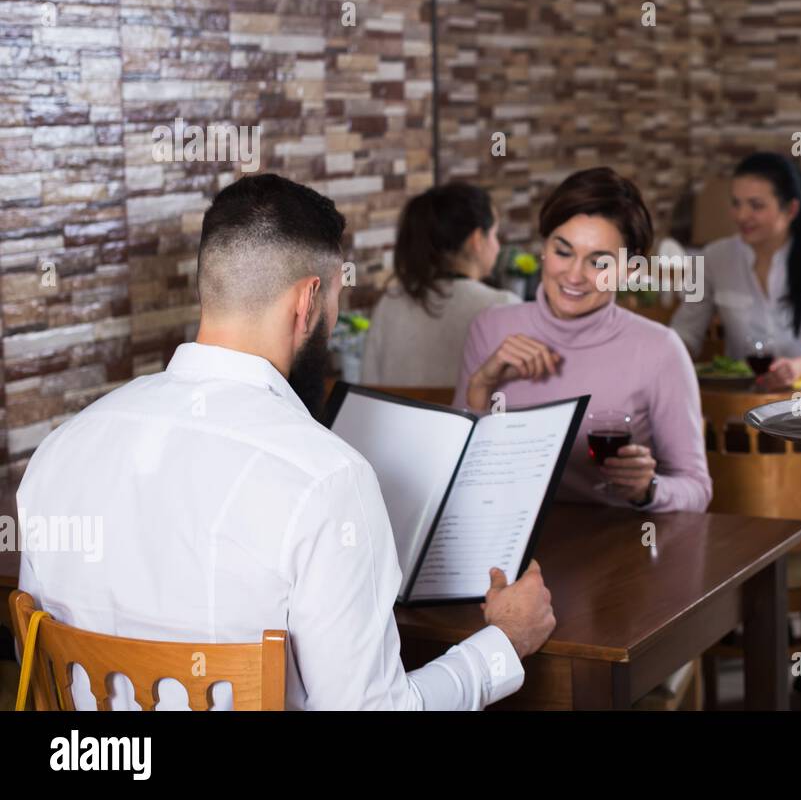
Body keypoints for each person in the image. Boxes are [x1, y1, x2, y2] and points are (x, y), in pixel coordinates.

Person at [17, 174, 555, 710]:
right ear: (307, 302)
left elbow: (33, 658)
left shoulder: (60, 450)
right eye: (336, 302)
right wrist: (502, 644)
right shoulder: (328, 479)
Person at [455, 167, 710, 512]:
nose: (574, 275)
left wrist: (647, 489)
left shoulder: (660, 349)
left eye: (599, 262)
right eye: (563, 252)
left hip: (616, 544)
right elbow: (456, 475)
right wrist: (481, 385)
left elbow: (696, 487)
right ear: (544, 247)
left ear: (630, 271)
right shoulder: (491, 328)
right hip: (509, 543)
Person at [671, 153, 801, 391]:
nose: (742, 216)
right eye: (736, 204)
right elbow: (685, 333)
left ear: (791, 209)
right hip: (738, 406)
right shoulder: (713, 258)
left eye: (756, 205)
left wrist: (795, 368)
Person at [362, 182, 518, 387]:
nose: (498, 247)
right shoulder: (503, 306)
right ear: (477, 240)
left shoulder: (390, 304)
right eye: (495, 235)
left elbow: (368, 384)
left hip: (398, 419)